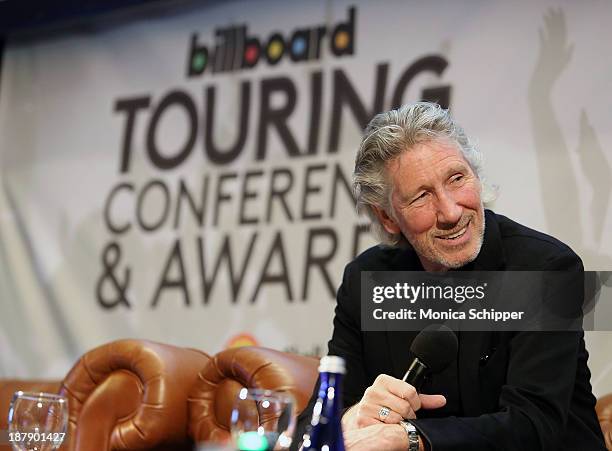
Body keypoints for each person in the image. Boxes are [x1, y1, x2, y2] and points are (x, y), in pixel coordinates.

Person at [293, 102, 606, 450]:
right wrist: (347, 417)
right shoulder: (367, 281)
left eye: (457, 179)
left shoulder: (545, 268)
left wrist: (411, 439)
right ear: (387, 217)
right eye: (422, 196)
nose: (451, 211)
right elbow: (313, 423)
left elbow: (532, 426)